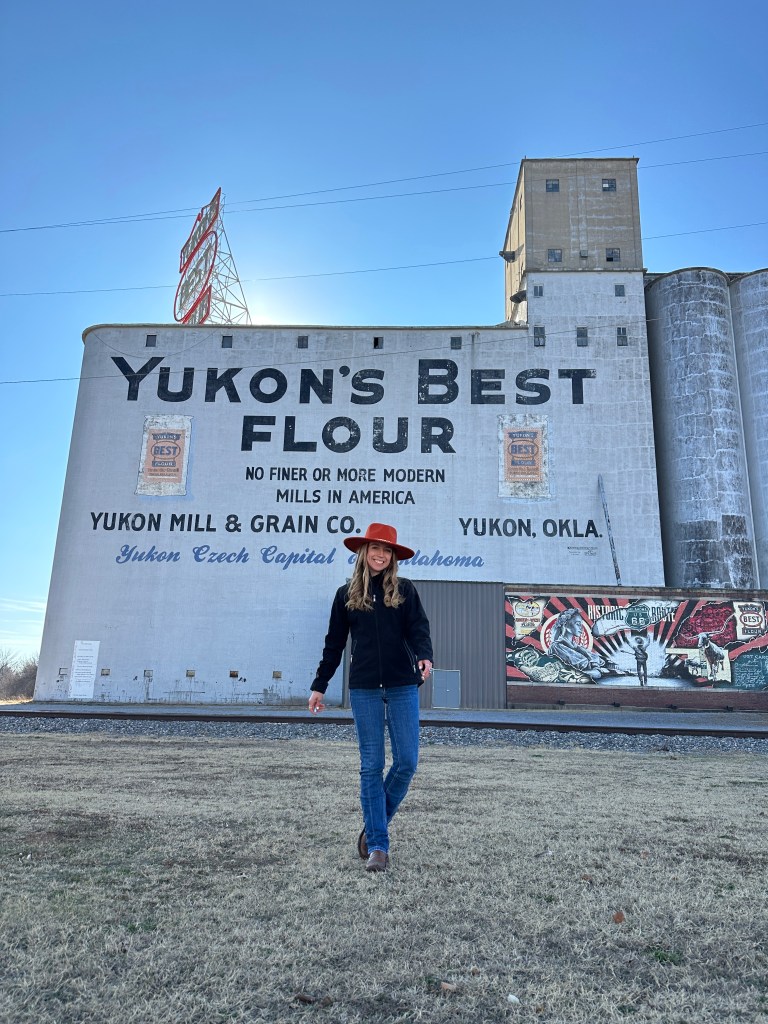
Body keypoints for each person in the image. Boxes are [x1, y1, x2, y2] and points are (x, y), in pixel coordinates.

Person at [309, 522, 433, 873]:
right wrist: (320, 685)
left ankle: (373, 826)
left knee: (407, 761)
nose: (380, 555)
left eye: (387, 550)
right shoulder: (345, 594)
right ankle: (378, 845)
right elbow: (334, 645)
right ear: (364, 552)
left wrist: (425, 654)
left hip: (401, 685)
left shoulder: (405, 590)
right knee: (371, 765)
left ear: (393, 557)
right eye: (374, 549)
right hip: (363, 688)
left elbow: (418, 629)